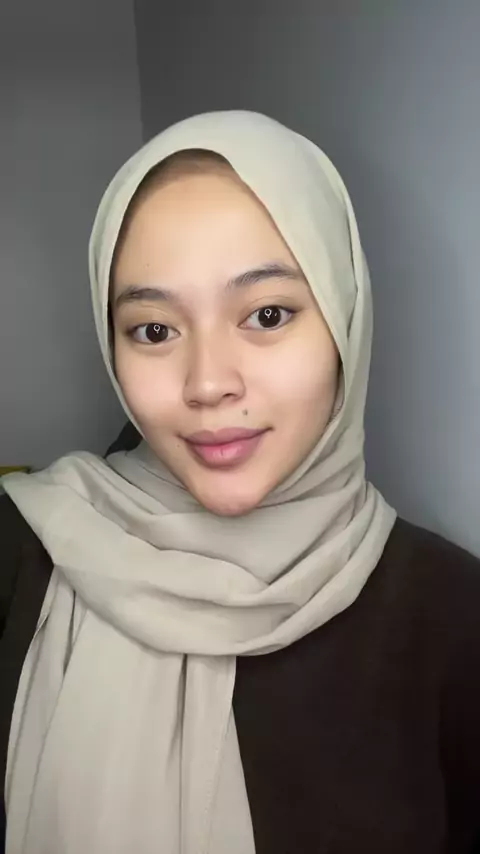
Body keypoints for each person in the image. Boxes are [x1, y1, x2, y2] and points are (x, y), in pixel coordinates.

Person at [1, 111, 479, 854]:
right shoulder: (23, 552)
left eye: (267, 314)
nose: (207, 383)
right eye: (154, 330)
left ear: (345, 319)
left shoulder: (454, 620)